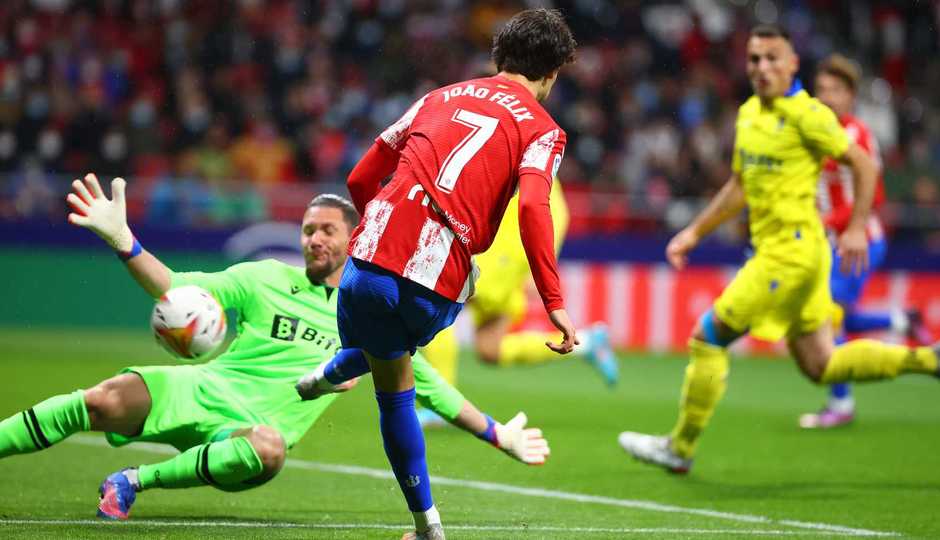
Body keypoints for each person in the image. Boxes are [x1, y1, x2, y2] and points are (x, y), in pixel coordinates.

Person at [0, 174, 551, 521]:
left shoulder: (370, 316)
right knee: (102, 399)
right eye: (308, 229)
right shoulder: (264, 276)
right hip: (200, 385)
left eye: (327, 230)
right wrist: (125, 242)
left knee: (269, 451)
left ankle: (131, 481)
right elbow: (175, 287)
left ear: (354, 239)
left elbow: (429, 389)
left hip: (250, 429)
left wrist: (499, 434)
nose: (313, 238)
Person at [294, 9, 578, 539]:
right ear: (554, 73)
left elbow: (362, 174)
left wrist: (373, 229)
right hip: (435, 279)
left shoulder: (439, 96)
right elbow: (535, 208)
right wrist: (553, 301)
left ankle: (326, 375)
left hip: (366, 264)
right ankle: (429, 531)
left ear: (498, 57)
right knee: (402, 360)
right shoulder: (544, 130)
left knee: (386, 356)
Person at [617, 25, 939, 474]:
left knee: (707, 337)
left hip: (786, 256)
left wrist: (857, 227)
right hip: (799, 258)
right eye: (754, 59)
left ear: (792, 64)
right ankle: (928, 359)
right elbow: (738, 186)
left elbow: (863, 165)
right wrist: (694, 232)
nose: (763, 67)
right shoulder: (749, 113)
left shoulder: (808, 114)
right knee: (821, 364)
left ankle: (680, 447)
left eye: (773, 58)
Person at [799, 54, 933, 429]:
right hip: (832, 245)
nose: (827, 98)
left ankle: (841, 403)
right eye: (821, 90)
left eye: (835, 91)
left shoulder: (856, 135)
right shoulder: (815, 133)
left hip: (859, 242)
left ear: (851, 96)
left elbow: (873, 197)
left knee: (828, 320)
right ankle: (902, 320)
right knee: (839, 317)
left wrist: (826, 220)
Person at [417, 180, 617, 428]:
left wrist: (540, 266)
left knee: (439, 300)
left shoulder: (538, 164)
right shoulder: (525, 154)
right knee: (490, 349)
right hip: (493, 251)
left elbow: (554, 213)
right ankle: (587, 342)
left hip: (500, 256)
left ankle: (439, 403)